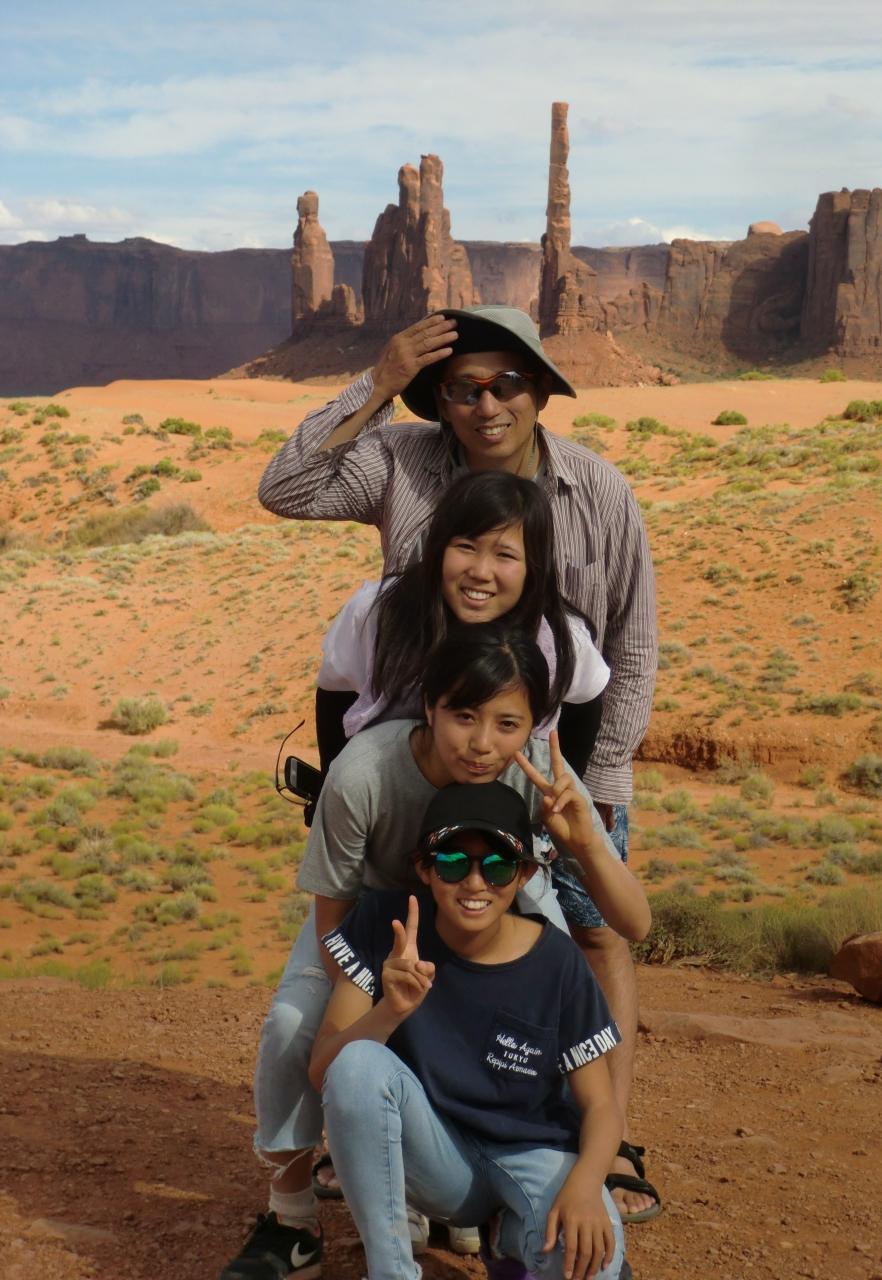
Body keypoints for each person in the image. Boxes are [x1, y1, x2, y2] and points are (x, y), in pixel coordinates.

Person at [259, 304, 658, 1215]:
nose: (485, 405)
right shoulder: (402, 459)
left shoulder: (598, 490)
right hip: (417, 764)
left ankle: (599, 1143)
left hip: (543, 770)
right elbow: (285, 488)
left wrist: (582, 792)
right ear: (440, 399)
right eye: (462, 388)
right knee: (420, 949)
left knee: (588, 944)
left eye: (506, 384)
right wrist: (379, 381)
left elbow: (626, 652)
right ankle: (406, 1138)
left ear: (541, 390)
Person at [221, 628, 652, 1280]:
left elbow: (633, 924)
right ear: (429, 706)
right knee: (302, 1030)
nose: (482, 744)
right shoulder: (366, 773)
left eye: (507, 723)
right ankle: (296, 1219)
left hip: (496, 971)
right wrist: (387, 1008)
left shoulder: (540, 778)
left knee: (593, 1261)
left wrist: (588, 843)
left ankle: (514, 1225)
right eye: (464, 716)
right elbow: (334, 928)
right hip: (377, 927)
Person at [310, 779, 636, 1280]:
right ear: (425, 868)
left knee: (595, 1263)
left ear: (524, 873)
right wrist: (389, 1011)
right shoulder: (387, 927)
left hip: (534, 1153)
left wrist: (586, 1185)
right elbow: (325, 1072)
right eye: (453, 862)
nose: (475, 882)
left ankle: (507, 1233)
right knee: (356, 1063)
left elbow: (601, 1106)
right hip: (437, 1158)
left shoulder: (557, 963)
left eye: (498, 866)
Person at [317, 469, 608, 774]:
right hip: (388, 791)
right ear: (439, 548)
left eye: (505, 555)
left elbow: (585, 706)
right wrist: (332, 785)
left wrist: (561, 786)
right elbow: (335, 696)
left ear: (532, 568)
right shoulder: (378, 613)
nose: (480, 572)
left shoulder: (559, 639)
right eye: (466, 547)